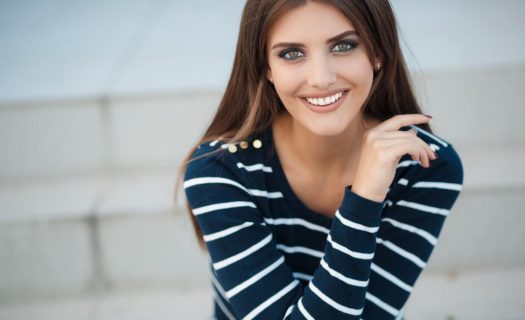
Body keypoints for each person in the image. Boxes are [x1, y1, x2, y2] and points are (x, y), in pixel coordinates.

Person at [177, 0, 463, 319]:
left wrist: (369, 197)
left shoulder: (423, 165)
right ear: (267, 68)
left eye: (343, 46)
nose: (321, 78)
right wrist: (365, 200)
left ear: (378, 52)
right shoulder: (221, 171)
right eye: (292, 53)